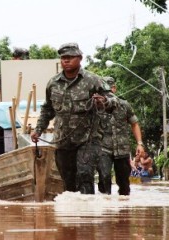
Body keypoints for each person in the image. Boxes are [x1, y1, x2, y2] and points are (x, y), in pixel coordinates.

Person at [30, 42, 118, 194]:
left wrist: (103, 101)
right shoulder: (53, 83)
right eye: (63, 57)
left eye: (70, 57)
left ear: (80, 58)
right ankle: (72, 214)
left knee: (85, 175)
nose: (66, 60)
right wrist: (38, 130)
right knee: (68, 182)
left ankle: (86, 213)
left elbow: (113, 100)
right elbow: (47, 109)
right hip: (63, 141)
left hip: (88, 140)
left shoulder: (93, 80)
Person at [97, 76, 144, 195]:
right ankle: (105, 208)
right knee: (104, 177)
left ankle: (123, 210)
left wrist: (140, 144)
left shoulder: (124, 105)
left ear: (114, 88)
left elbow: (134, 124)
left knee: (124, 184)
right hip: (103, 148)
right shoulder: (96, 106)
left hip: (122, 149)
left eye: (109, 89)